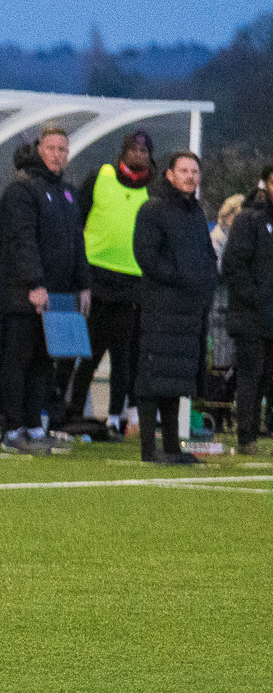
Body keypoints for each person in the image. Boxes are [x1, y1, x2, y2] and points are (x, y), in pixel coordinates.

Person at [0, 125, 90, 453]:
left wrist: (84, 284)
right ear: (39, 149)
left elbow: (77, 241)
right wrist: (34, 283)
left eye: (63, 149)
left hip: (56, 296)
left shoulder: (67, 192)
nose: (57, 155)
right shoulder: (22, 188)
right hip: (21, 294)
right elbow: (22, 239)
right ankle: (12, 429)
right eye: (52, 148)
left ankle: (33, 426)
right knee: (18, 360)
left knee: (44, 363)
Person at [131, 151, 217, 465]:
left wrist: (207, 282)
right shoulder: (152, 209)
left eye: (195, 171)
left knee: (176, 381)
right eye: (184, 171)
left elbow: (207, 256)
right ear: (170, 175)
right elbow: (146, 255)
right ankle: (148, 449)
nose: (190, 176)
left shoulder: (196, 213)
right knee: (152, 378)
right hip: (161, 307)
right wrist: (180, 279)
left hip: (189, 310)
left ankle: (172, 448)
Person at [68, 130, 154, 437]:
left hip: (131, 284)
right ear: (123, 152)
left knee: (123, 357)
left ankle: (115, 418)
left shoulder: (152, 191)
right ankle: (73, 412)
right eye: (134, 148)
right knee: (88, 352)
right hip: (95, 279)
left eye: (144, 151)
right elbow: (76, 219)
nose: (139, 154)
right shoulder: (100, 176)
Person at [222, 165, 273, 454]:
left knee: (267, 378)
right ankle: (246, 437)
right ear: (265, 184)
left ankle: (260, 433)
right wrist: (256, 298)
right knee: (251, 377)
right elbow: (233, 265)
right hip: (251, 316)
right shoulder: (248, 220)